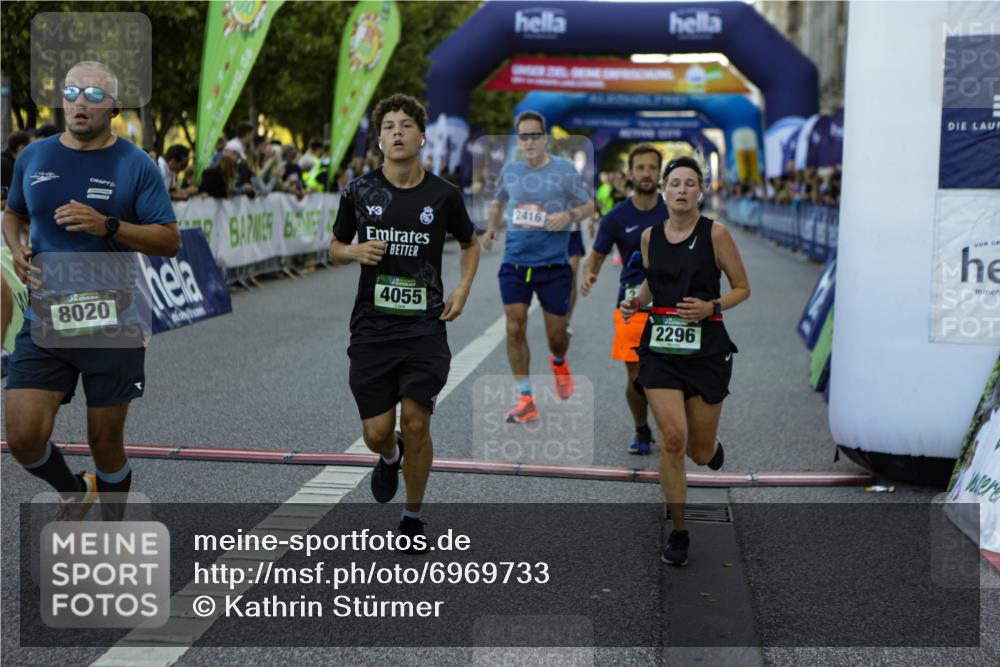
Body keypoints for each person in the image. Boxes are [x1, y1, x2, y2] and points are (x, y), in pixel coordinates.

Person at [3, 61, 180, 521]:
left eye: (95, 95)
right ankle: (75, 490)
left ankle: (113, 529)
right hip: (46, 317)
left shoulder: (135, 164)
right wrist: (17, 248)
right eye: (72, 92)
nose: (81, 102)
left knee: (105, 442)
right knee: (22, 436)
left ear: (115, 107)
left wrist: (109, 226)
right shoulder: (33, 157)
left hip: (112, 321)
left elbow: (169, 240)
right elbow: (14, 212)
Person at [328, 94, 480, 550]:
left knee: (416, 421)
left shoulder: (444, 195)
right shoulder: (358, 192)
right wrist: (354, 251)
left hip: (424, 327)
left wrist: (462, 288)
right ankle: (389, 455)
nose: (397, 132)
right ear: (379, 140)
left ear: (421, 137)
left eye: (405, 125)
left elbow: (470, 243)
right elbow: (334, 248)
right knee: (377, 433)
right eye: (389, 127)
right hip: (372, 328)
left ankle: (412, 518)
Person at [620, 156, 750, 566]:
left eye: (689, 183)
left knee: (698, 451)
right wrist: (635, 302)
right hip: (660, 350)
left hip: (706, 350)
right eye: (674, 183)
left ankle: (711, 450)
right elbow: (652, 281)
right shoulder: (649, 237)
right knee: (673, 439)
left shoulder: (716, 234)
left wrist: (712, 306)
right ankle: (679, 531)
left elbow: (742, 288)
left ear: (700, 191)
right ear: (664, 190)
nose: (681, 190)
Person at [483, 111, 593, 423]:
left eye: (535, 136)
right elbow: (498, 202)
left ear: (544, 138)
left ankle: (559, 362)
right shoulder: (511, 170)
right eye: (524, 137)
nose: (529, 142)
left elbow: (588, 205)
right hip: (515, 263)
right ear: (518, 140)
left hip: (553, 266)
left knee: (557, 337)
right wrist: (491, 227)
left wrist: (569, 216)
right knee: (514, 325)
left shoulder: (564, 170)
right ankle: (525, 398)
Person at [581, 145, 667, 455]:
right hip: (632, 305)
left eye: (652, 167)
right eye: (640, 167)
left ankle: (671, 427)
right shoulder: (617, 217)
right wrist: (589, 274)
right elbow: (596, 255)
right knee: (636, 376)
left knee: (670, 372)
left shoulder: (673, 211)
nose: (646, 173)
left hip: (671, 305)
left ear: (659, 173)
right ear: (630, 173)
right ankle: (642, 428)